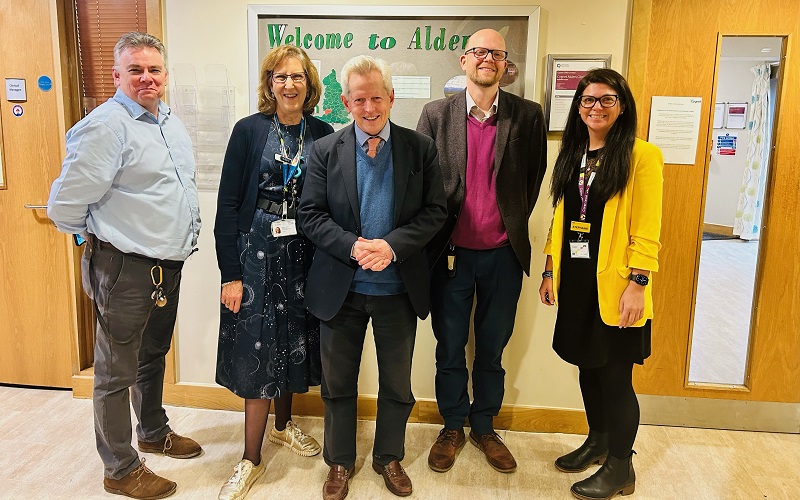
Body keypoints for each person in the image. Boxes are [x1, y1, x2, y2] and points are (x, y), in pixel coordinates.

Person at [47, 32, 202, 499]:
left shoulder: (168, 122)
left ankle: (152, 431)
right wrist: (95, 240)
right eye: (135, 70)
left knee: (152, 356)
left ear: (165, 75)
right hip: (123, 269)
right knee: (115, 372)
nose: (146, 78)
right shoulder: (106, 126)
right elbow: (64, 206)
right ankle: (119, 468)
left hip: (164, 268)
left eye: (154, 69)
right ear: (117, 76)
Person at [298, 55, 447, 500]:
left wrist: (391, 246)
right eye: (359, 100)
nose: (369, 108)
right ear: (345, 102)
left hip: (398, 289)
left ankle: (389, 457)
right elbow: (311, 214)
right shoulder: (326, 150)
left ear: (391, 97)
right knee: (338, 382)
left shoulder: (420, 148)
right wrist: (353, 245)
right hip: (340, 289)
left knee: (397, 384)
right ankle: (340, 462)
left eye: (376, 98)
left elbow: (436, 211)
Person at [416, 28, 547, 474]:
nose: (486, 58)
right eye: (478, 51)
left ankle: (484, 424)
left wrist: (504, 223)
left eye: (496, 53)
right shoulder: (436, 115)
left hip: (503, 256)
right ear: (464, 60)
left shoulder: (527, 116)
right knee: (450, 346)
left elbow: (532, 180)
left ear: (505, 64)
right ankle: (453, 424)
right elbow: (422, 183)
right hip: (449, 256)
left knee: (492, 348)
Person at [214, 45, 333, 500]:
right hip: (255, 253)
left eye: (298, 76)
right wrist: (230, 273)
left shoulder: (322, 133)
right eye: (280, 76)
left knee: (294, 339)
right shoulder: (248, 131)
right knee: (257, 347)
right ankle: (250, 458)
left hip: (304, 251)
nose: (289, 84)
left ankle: (284, 426)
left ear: (310, 83)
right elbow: (227, 204)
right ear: (269, 83)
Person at [538, 68, 663, 500]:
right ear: (578, 108)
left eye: (606, 99)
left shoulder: (641, 155)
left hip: (616, 286)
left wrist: (638, 282)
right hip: (577, 282)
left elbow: (648, 228)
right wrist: (550, 268)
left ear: (622, 105)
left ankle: (620, 466)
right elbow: (561, 218)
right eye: (588, 100)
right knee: (587, 365)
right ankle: (598, 440)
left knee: (614, 376)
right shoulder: (575, 154)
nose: (596, 107)